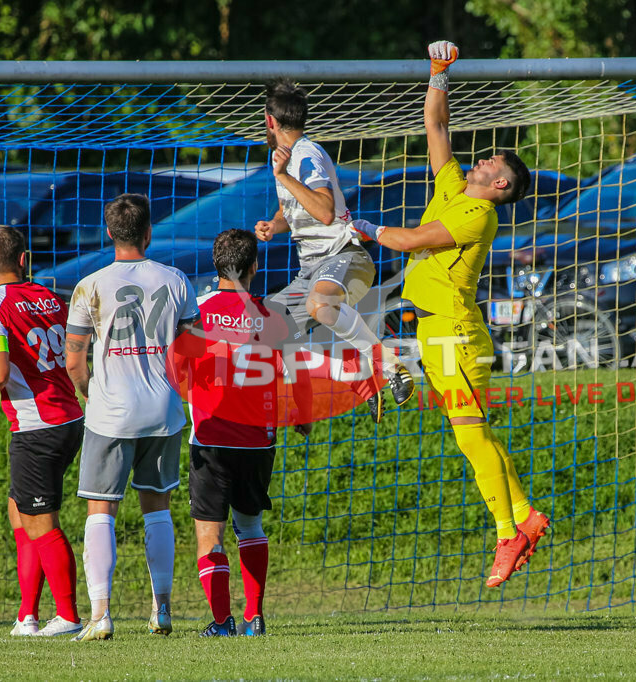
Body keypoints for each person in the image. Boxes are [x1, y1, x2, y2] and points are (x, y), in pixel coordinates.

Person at [349, 40, 549, 588]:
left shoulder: (479, 214)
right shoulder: (453, 186)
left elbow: (411, 238)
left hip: (457, 335)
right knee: (473, 431)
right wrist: (439, 71)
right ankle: (525, 515)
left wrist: (359, 226)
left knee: (468, 434)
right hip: (438, 332)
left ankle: (508, 531)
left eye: (491, 162)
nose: (482, 159)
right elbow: (435, 126)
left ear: (500, 184)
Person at [64, 193, 204, 641]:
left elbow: (73, 358)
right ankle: (161, 609)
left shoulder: (89, 285)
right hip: (163, 410)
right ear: (148, 233)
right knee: (157, 506)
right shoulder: (176, 279)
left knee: (100, 509)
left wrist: (89, 392)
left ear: (110, 234)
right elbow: (195, 347)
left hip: (111, 412)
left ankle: (101, 614)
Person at [256, 77, 414, 423]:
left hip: (345, 256)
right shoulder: (287, 159)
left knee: (321, 304)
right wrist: (274, 225)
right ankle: (357, 378)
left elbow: (325, 211)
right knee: (266, 336)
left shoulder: (305, 155)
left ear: (270, 121)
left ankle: (388, 363)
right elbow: (296, 208)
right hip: (310, 269)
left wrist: (283, 177)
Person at [0, 227, 84, 637]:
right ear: (23, 259)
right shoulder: (50, 296)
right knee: (21, 511)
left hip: (38, 425)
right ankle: (26, 616)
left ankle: (67, 616)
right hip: (69, 416)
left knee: (40, 522)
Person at [181, 229, 304, 637]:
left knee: (209, 535)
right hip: (258, 439)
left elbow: (178, 370)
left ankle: (221, 622)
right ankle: (255, 618)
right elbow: (297, 375)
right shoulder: (275, 314)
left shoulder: (195, 312)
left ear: (216, 266)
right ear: (254, 267)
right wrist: (301, 416)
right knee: (250, 526)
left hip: (211, 437)